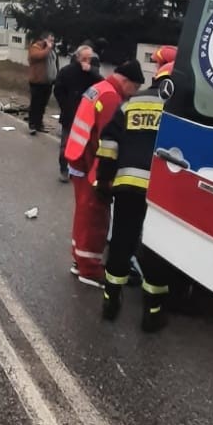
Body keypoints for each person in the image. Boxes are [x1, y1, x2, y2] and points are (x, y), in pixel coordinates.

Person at [95, 46, 178, 331]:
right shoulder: (176, 110)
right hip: (160, 192)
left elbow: (108, 142)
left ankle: (110, 301)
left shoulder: (131, 103)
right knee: (155, 249)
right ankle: (152, 313)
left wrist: (105, 180)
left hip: (127, 185)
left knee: (120, 242)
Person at [64, 58, 144, 285]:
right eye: (135, 88)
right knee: (95, 219)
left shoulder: (98, 88)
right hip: (91, 166)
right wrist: (104, 179)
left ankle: (79, 260)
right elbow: (107, 143)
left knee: (83, 216)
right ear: (126, 81)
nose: (133, 94)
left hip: (78, 159)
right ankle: (89, 270)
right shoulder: (111, 98)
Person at [54, 43, 99, 181]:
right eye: (84, 59)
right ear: (78, 58)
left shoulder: (92, 73)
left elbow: (102, 84)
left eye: (89, 59)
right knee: (66, 144)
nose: (86, 62)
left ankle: (80, 169)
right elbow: (58, 90)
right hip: (70, 114)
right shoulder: (67, 71)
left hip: (87, 117)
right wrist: (65, 106)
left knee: (86, 146)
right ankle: (64, 169)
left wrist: (91, 70)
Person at [27, 32, 57, 134]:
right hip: (37, 81)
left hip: (48, 82)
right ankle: (32, 124)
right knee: (35, 104)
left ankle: (39, 124)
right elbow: (38, 56)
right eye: (50, 40)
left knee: (43, 105)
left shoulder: (52, 51)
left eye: (53, 40)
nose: (52, 43)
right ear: (44, 39)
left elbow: (54, 64)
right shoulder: (35, 47)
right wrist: (48, 48)